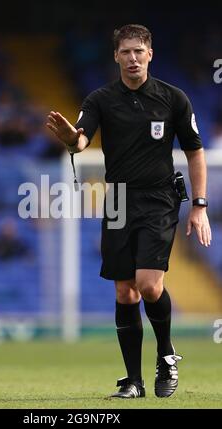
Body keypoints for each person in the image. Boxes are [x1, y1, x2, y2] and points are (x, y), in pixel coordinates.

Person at [46, 24, 211, 399]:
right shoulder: (101, 99)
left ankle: (166, 355)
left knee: (149, 285)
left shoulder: (173, 98)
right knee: (124, 292)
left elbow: (195, 151)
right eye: (126, 52)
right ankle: (133, 381)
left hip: (158, 199)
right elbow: (82, 138)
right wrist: (73, 138)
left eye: (139, 51)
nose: (133, 58)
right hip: (118, 199)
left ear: (150, 54)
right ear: (116, 56)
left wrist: (199, 205)